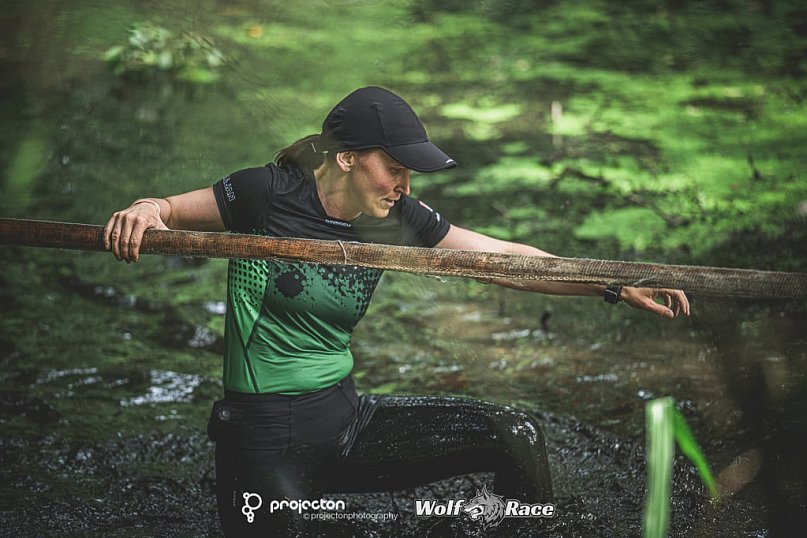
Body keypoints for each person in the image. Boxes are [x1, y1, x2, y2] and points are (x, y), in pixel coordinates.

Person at [103, 86, 690, 536]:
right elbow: (167, 211)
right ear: (350, 159)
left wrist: (610, 283)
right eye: (395, 168)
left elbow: (507, 259)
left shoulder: (398, 215)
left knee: (515, 435)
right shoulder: (267, 193)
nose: (405, 185)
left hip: (347, 423)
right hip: (263, 445)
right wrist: (142, 210)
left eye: (410, 172)